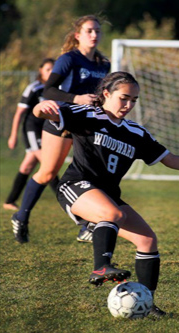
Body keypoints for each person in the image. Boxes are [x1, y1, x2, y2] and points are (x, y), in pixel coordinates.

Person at [32, 71, 179, 318]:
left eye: (134, 100)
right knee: (112, 213)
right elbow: (45, 113)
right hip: (76, 187)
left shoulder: (136, 132)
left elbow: (169, 159)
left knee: (147, 240)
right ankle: (100, 267)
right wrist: (41, 107)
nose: (128, 105)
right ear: (106, 94)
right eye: (124, 98)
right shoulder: (86, 115)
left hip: (109, 196)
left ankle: (146, 305)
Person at [11, 15, 110, 243]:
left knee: (93, 173)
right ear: (77, 35)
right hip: (61, 120)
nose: (94, 35)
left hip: (87, 124)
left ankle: (87, 225)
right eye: (89, 31)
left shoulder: (104, 65)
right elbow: (48, 91)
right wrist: (77, 98)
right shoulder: (69, 59)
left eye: (97, 31)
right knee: (47, 173)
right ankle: (22, 216)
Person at [4, 58, 59, 211]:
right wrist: (13, 135)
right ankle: (67, 202)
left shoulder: (54, 90)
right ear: (41, 70)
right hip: (32, 131)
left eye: (53, 70)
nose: (50, 72)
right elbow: (19, 113)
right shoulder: (34, 88)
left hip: (46, 131)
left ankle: (10, 201)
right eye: (47, 69)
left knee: (27, 167)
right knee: (49, 165)